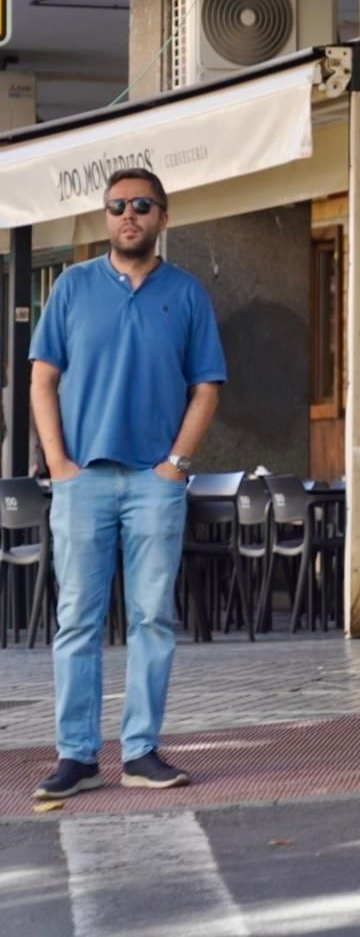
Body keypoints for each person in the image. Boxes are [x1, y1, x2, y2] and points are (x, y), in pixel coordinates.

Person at [30, 168, 226, 800]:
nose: (128, 215)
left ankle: (141, 750)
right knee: (78, 621)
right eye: (117, 206)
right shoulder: (72, 287)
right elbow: (42, 379)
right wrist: (59, 466)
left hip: (154, 482)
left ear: (162, 217)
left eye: (142, 205)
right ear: (106, 217)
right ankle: (77, 755)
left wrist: (177, 463)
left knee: (151, 618)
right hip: (82, 480)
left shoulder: (188, 294)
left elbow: (206, 387)